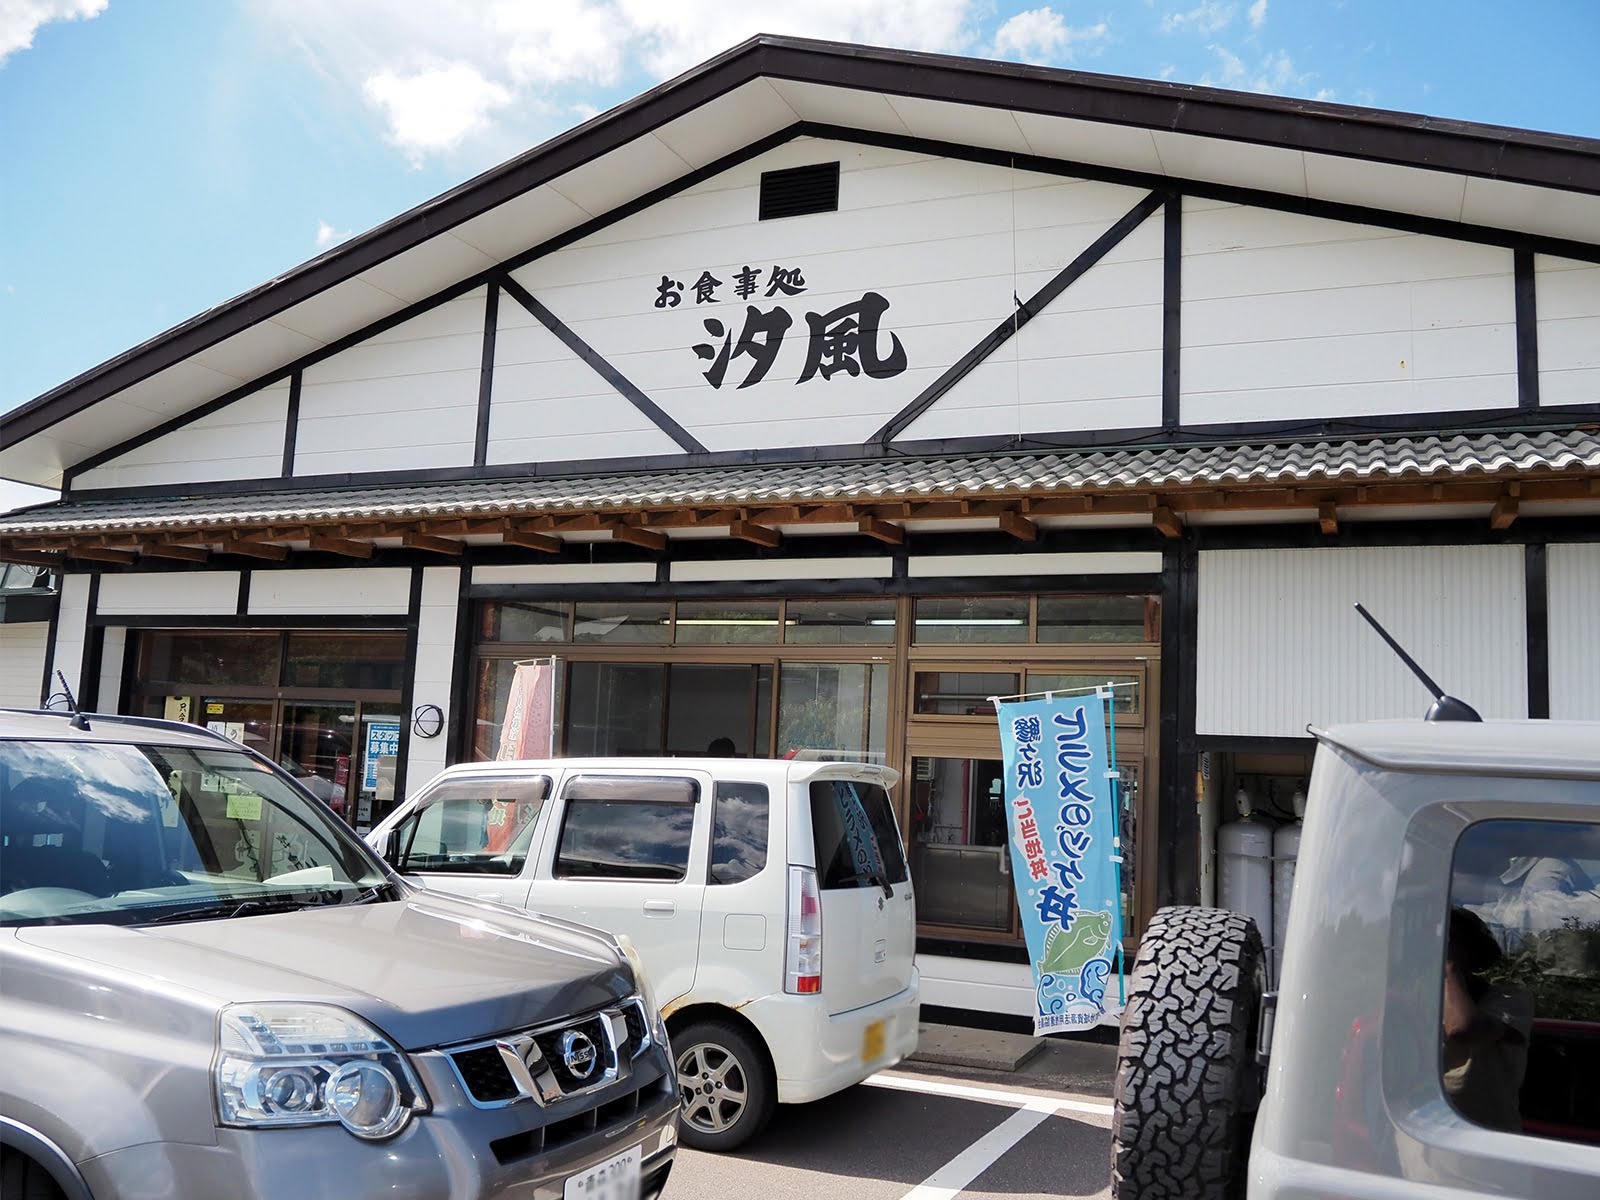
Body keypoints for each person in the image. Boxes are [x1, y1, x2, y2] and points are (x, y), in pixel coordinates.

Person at [1441, 907, 1533, 1133]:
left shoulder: (1511, 999)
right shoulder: (1420, 999)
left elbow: (1462, 1027)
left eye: (1452, 941)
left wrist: (1448, 966)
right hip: (1431, 1139)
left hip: (1491, 1139)